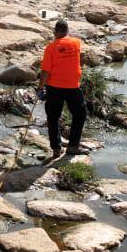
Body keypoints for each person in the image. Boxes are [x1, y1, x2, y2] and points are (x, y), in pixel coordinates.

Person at [38, 19, 87, 158]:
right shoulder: (76, 43)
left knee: (53, 117)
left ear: (55, 32)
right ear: (67, 31)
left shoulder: (51, 48)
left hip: (54, 88)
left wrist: (40, 88)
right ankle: (73, 146)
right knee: (80, 115)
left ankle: (56, 149)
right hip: (73, 87)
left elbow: (45, 71)